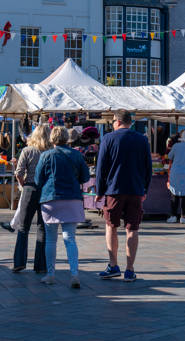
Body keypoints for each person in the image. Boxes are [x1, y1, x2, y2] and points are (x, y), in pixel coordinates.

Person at [95, 109, 152, 282]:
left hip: (114, 189)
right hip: (135, 189)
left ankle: (113, 265)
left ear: (118, 121)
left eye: (113, 121)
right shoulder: (142, 140)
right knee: (132, 228)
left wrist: (99, 191)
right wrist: (145, 190)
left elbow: (101, 167)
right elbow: (148, 168)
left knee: (111, 226)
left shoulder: (108, 138)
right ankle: (129, 269)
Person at [34, 126, 90, 288]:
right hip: (72, 199)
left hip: (50, 199)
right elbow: (85, 177)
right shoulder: (77, 155)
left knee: (51, 240)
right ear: (67, 138)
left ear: (52, 139)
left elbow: (38, 180)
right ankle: (74, 274)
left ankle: (50, 274)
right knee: (70, 238)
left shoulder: (45, 155)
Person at [10, 124, 49, 274]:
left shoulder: (27, 151)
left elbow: (19, 172)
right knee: (42, 227)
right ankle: (40, 265)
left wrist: (23, 184)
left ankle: (19, 262)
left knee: (23, 226)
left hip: (30, 188)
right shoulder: (50, 152)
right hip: (45, 189)